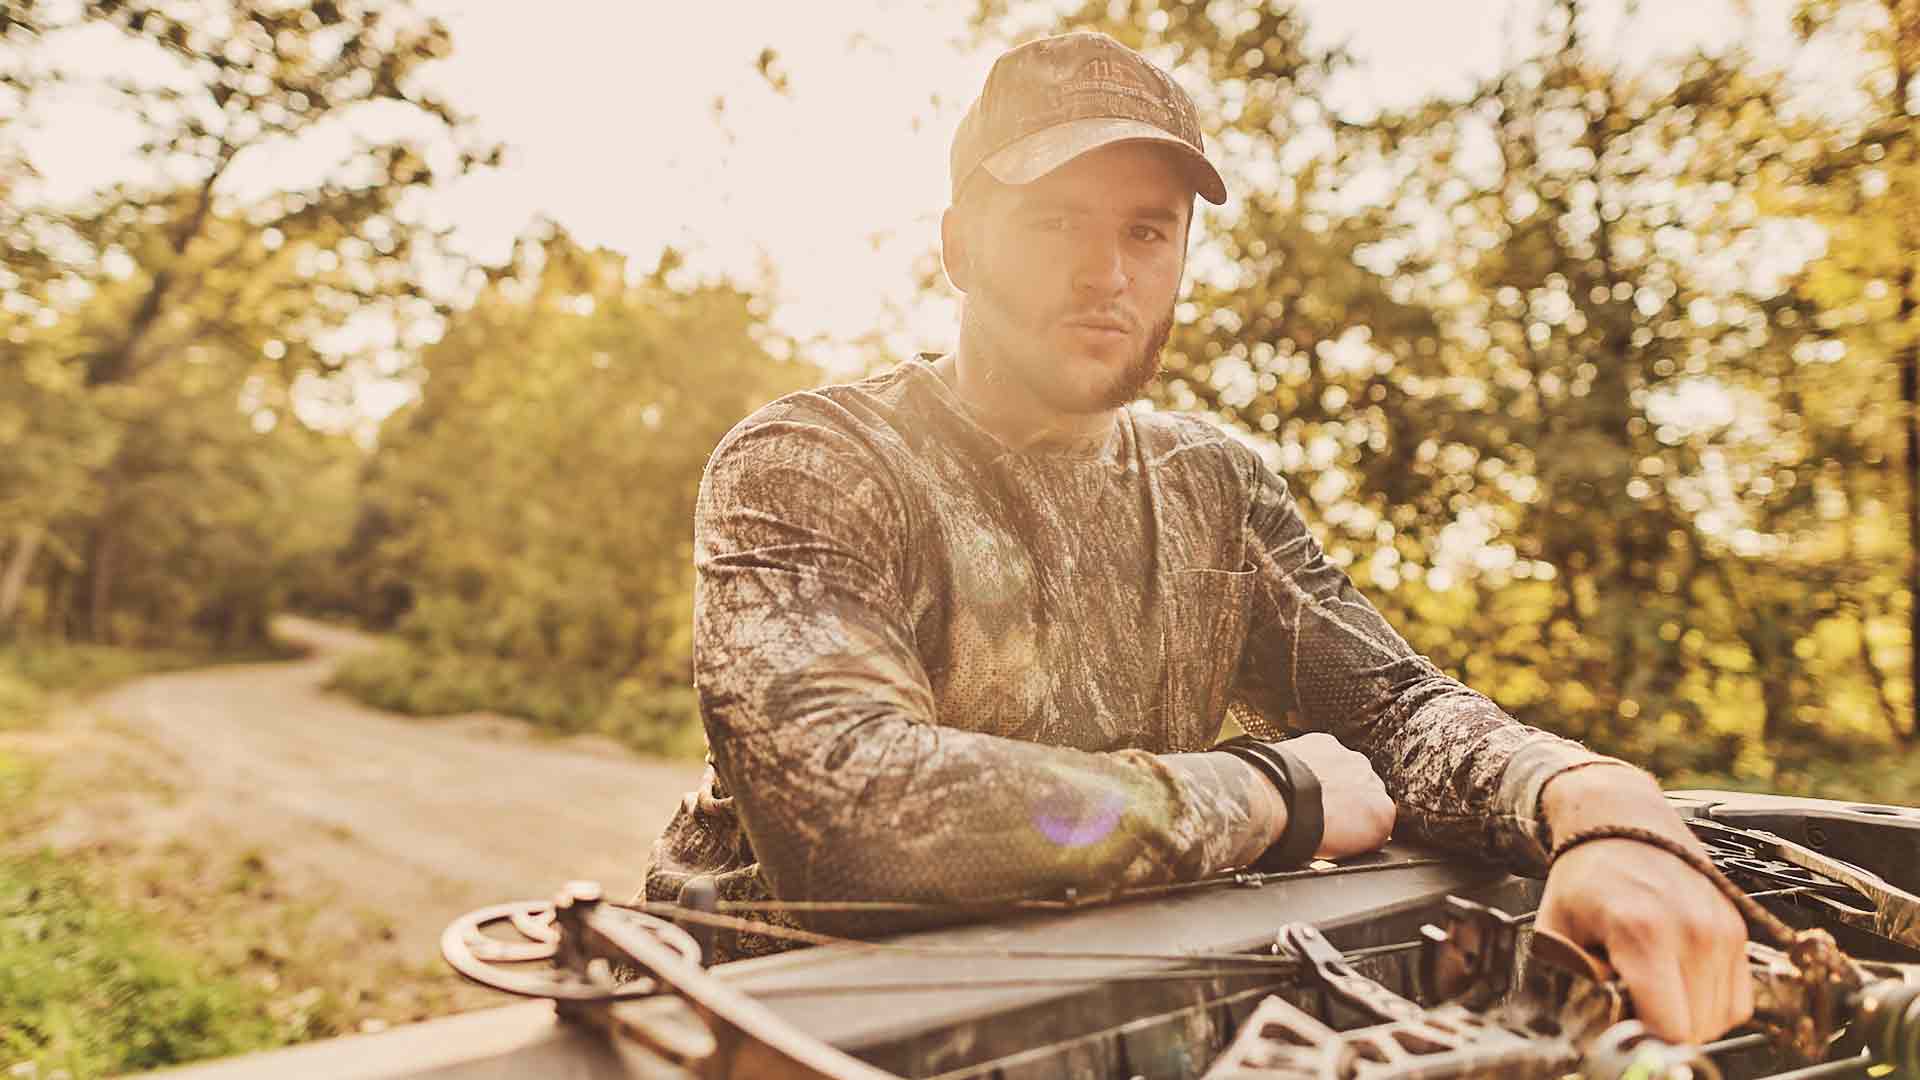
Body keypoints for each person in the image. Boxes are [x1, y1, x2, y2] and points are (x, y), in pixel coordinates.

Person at [644, 30, 1752, 1043]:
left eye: (1146, 230)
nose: (1106, 275)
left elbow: (1394, 713)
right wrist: (1271, 794)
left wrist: (1593, 802)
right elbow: (850, 813)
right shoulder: (813, 462)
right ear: (960, 247)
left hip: (1082, 1032)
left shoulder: (1214, 486)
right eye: (1056, 221)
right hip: (769, 1033)